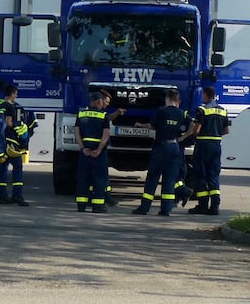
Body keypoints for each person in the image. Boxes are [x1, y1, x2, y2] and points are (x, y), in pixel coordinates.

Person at [131, 89, 191, 217]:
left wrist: (140, 125)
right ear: (177, 100)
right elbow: (193, 126)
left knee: (152, 177)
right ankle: (166, 209)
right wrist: (182, 137)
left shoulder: (161, 112)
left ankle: (144, 207)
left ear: (167, 99)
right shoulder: (182, 113)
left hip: (161, 147)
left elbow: (152, 125)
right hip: (174, 147)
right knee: (169, 179)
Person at [188, 87, 229, 216]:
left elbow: (196, 130)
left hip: (203, 145)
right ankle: (215, 206)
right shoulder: (223, 111)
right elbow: (226, 131)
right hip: (216, 145)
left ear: (206, 95)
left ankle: (203, 205)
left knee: (200, 174)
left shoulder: (202, 110)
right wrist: (215, 133)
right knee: (213, 175)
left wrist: (194, 134)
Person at [74, 92, 111, 213]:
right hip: (98, 153)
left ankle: (81, 205)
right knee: (99, 179)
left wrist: (83, 148)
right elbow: (106, 134)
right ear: (99, 101)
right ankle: (97, 206)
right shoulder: (103, 115)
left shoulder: (81, 114)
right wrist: (99, 149)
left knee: (83, 178)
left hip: (85, 152)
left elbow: (76, 132)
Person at [0, 85, 31, 206]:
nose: (16, 96)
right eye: (16, 94)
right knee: (17, 169)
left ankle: (2, 196)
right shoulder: (12, 107)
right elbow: (10, 123)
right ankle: (17, 196)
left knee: (2, 169)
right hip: (12, 144)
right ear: (12, 94)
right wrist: (20, 128)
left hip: (0, 143)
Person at [98, 89, 127, 206]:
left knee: (96, 174)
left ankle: (97, 196)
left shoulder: (89, 113)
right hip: (99, 149)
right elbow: (107, 119)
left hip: (91, 149)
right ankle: (105, 197)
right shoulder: (100, 114)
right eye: (106, 102)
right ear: (100, 101)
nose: (107, 104)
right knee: (102, 174)